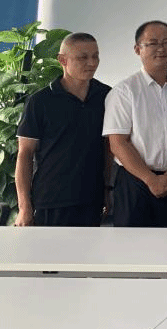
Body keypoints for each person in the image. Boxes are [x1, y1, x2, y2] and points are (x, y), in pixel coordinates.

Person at [102, 21, 167, 227]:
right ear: (138, 49)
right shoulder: (124, 91)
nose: (161, 48)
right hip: (135, 182)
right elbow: (118, 143)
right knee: (131, 243)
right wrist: (150, 179)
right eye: (153, 43)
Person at [15, 32, 110, 227]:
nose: (92, 63)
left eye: (95, 56)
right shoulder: (40, 101)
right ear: (62, 60)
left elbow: (109, 148)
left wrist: (109, 190)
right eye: (83, 57)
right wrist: (24, 207)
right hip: (50, 200)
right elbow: (25, 154)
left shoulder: (107, 96)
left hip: (92, 200)